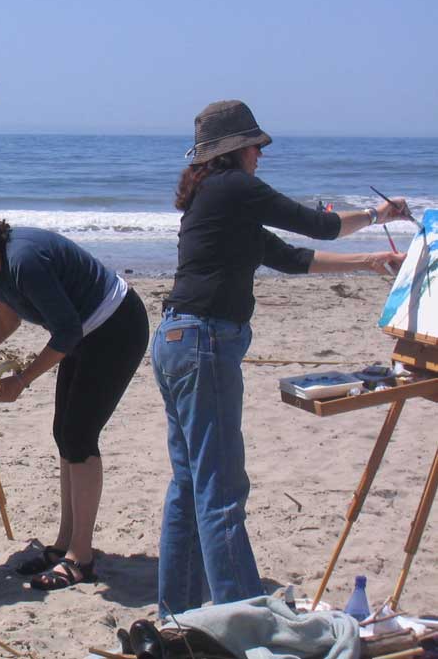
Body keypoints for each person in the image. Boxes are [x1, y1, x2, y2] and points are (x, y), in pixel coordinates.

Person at [153, 100, 408, 614]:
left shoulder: (214, 197)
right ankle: (247, 621)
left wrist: (371, 261)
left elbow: (291, 258)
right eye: (256, 148)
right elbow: (317, 226)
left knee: (190, 484)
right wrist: (379, 213)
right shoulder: (235, 188)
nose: (260, 157)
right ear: (238, 150)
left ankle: (176, 616)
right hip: (203, 343)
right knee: (221, 490)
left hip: (177, 341)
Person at [0, 202, 149, 590]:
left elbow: (66, 333)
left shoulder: (23, 261)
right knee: (65, 435)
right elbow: (6, 321)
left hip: (116, 328)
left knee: (79, 437)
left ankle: (82, 557)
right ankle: (64, 545)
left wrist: (22, 381)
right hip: (85, 331)